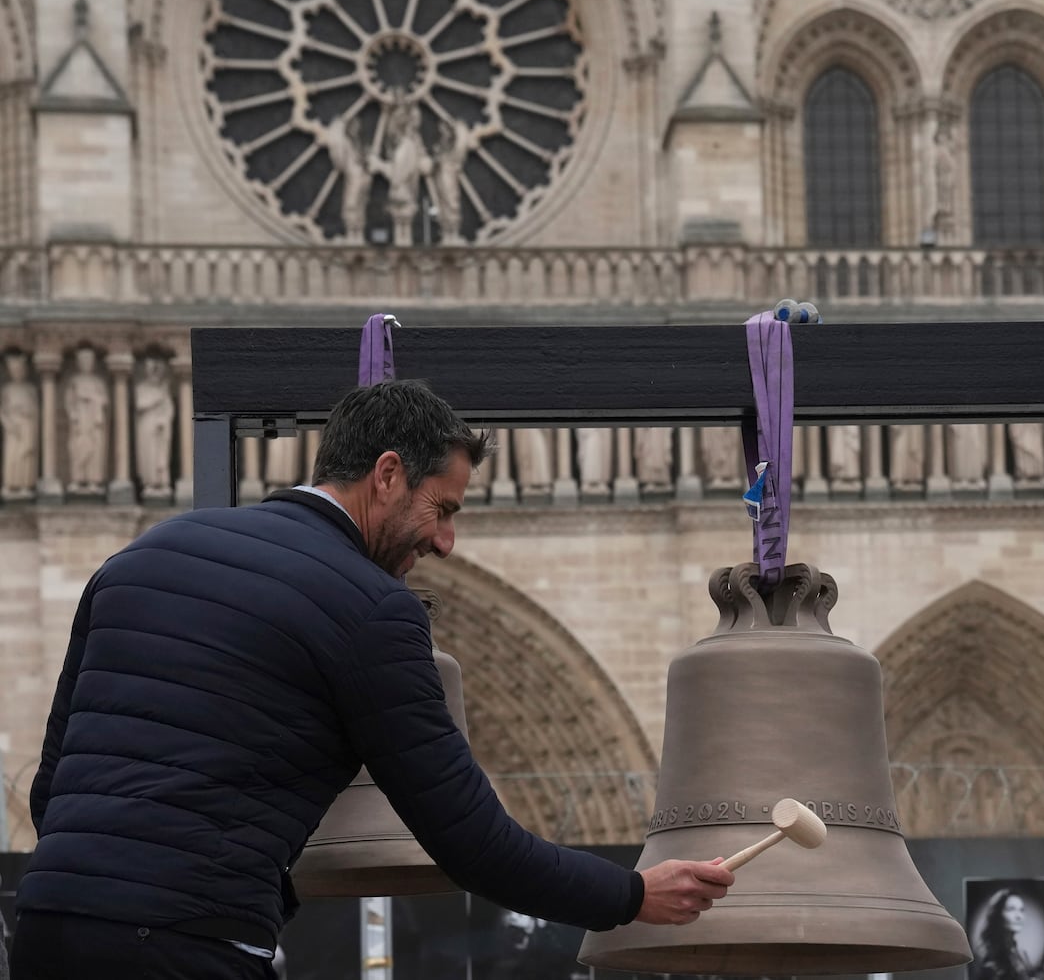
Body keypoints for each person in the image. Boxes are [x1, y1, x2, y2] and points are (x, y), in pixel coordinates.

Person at [12, 380, 732, 978]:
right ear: (387, 473)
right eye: (442, 509)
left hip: (47, 923)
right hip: (186, 940)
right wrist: (631, 893)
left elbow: (54, 787)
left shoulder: (143, 553)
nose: (447, 542)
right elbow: (471, 841)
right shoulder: (371, 609)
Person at [972, 888, 1044, 980]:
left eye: (1021, 910)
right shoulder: (990, 955)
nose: (1018, 916)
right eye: (1011, 909)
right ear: (997, 914)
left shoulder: (1015, 950)